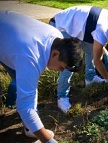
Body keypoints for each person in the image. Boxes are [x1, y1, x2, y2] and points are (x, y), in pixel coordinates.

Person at [0, 10, 83, 143]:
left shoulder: (56, 36)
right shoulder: (31, 58)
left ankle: (31, 128)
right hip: (9, 37)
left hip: (8, 33)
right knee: (26, 96)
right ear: (55, 54)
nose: (60, 71)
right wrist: (49, 141)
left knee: (27, 85)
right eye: (61, 67)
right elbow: (25, 107)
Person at [49, 5, 108, 113]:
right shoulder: (104, 30)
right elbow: (97, 61)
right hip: (61, 26)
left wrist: (103, 49)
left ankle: (90, 78)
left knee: (92, 51)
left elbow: (95, 37)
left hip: (76, 27)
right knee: (69, 61)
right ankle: (61, 96)